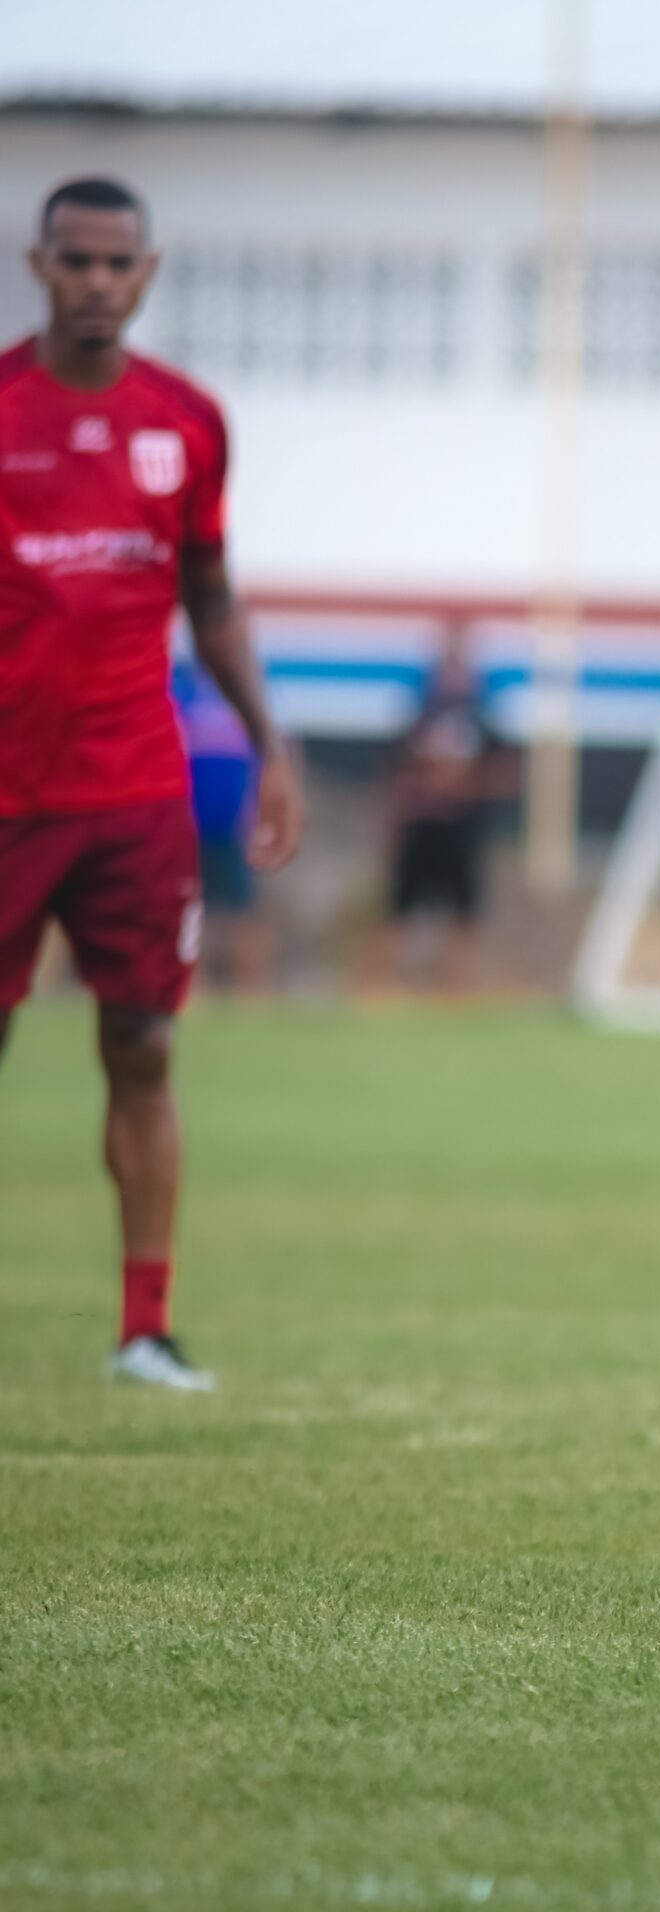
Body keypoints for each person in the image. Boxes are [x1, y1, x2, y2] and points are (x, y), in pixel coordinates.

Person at [0, 177, 304, 1389]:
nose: (94, 282)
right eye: (73, 260)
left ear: (148, 274)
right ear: (38, 264)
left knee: (142, 1045)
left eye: (115, 263)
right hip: (9, 796)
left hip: (135, 798)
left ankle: (145, 1327)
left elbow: (212, 598)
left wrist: (272, 744)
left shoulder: (187, 422)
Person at [370, 625, 504, 993]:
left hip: (462, 828)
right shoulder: (418, 711)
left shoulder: (484, 716)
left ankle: (457, 990)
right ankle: (386, 988)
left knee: (464, 914)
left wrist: (464, 789)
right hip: (421, 825)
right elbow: (394, 770)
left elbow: (503, 772)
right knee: (399, 910)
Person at [176, 655, 275, 993]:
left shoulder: (247, 701)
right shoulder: (185, 696)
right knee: (190, 909)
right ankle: (193, 986)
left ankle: (250, 989)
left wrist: (255, 818)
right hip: (192, 825)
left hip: (233, 826)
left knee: (243, 910)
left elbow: (266, 763)